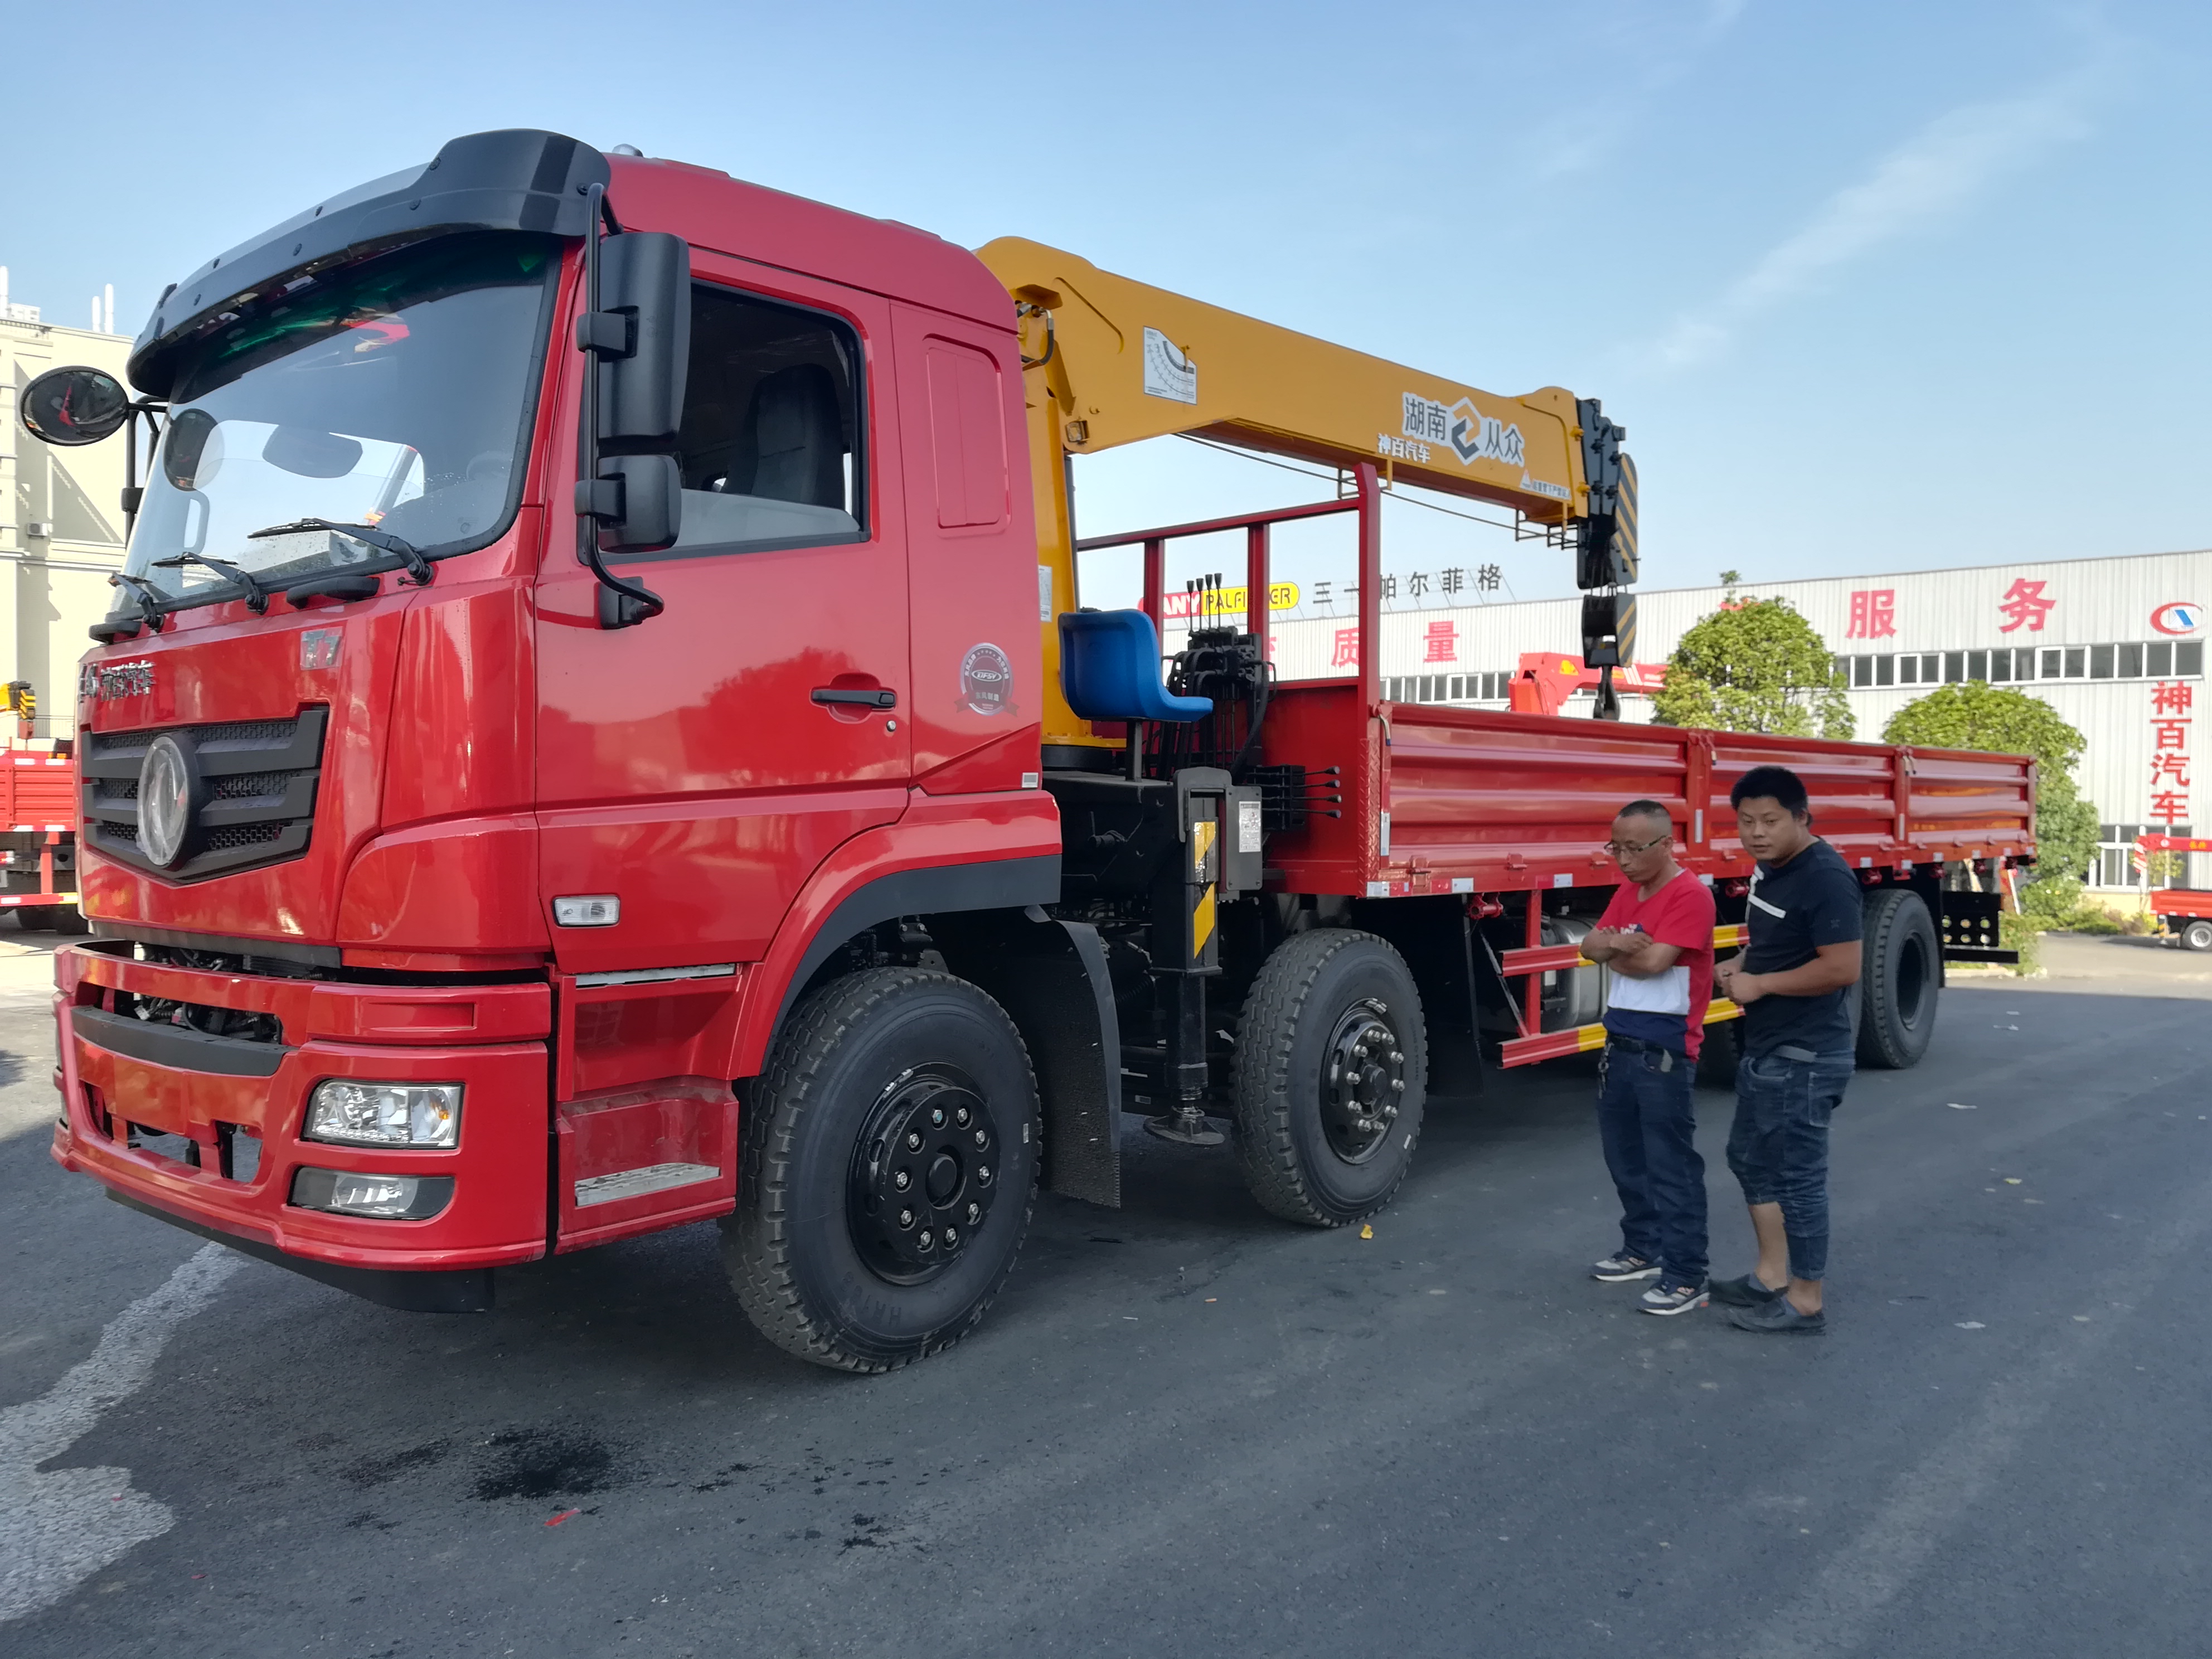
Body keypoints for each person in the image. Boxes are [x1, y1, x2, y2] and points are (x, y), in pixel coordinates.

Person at [1711, 764, 1864, 1336]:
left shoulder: (1823, 876)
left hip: (1805, 1056)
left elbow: (1841, 966)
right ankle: (1769, 1276)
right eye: (1745, 821)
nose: (1755, 832)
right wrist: (1743, 962)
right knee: (1748, 1158)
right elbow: (1782, 938)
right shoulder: (1771, 870)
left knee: (1797, 1177)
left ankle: (1805, 1299)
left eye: (1769, 821)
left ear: (1802, 818)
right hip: (1769, 1047)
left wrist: (1762, 985)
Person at [1579, 800, 1718, 1316]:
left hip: (1664, 1051)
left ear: (1666, 845)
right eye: (1615, 847)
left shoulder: (1691, 895)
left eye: (1635, 848)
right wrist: (1623, 945)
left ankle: (1687, 1274)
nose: (1624, 859)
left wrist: (1623, 948)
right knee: (1625, 1158)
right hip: (1620, 1047)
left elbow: (1658, 962)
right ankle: (1644, 1248)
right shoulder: (1629, 891)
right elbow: (1589, 948)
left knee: (1671, 1165)